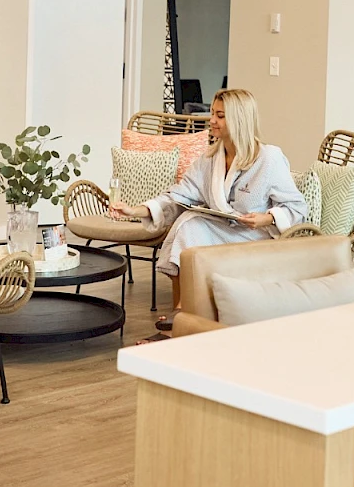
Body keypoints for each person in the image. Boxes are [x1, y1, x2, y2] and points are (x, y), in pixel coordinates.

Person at [110, 88, 307, 336]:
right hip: (222, 229)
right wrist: (134, 210)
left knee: (193, 224)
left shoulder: (269, 159)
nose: (211, 120)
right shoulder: (210, 158)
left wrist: (265, 218)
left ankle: (178, 323)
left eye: (220, 115)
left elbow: (297, 208)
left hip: (253, 235)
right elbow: (178, 196)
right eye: (213, 113)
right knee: (189, 222)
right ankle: (182, 313)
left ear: (239, 120)